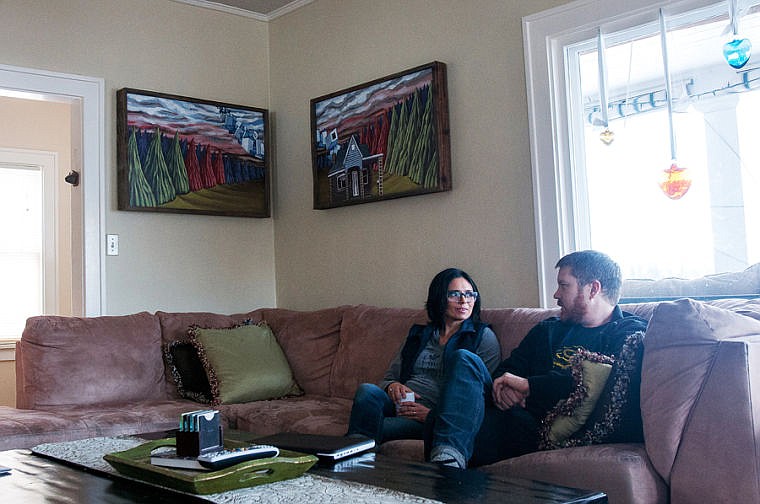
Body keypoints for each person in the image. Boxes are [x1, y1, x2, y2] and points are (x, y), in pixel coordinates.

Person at [425, 250, 648, 469]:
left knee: (449, 421)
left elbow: (599, 381)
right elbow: (506, 372)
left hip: (544, 430)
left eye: (564, 285)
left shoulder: (628, 333)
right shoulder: (548, 330)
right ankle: (446, 464)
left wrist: (529, 386)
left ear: (593, 289)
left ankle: (444, 475)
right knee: (464, 361)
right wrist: (508, 388)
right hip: (513, 418)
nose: (556, 295)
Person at [346, 268, 501, 444]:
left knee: (372, 427)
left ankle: (352, 454)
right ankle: (355, 454)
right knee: (367, 391)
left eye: (469, 294)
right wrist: (392, 386)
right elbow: (388, 378)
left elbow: (482, 396)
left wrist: (432, 416)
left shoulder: (482, 337)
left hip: (430, 416)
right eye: (454, 294)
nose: (464, 300)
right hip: (400, 405)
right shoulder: (419, 335)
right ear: (439, 298)